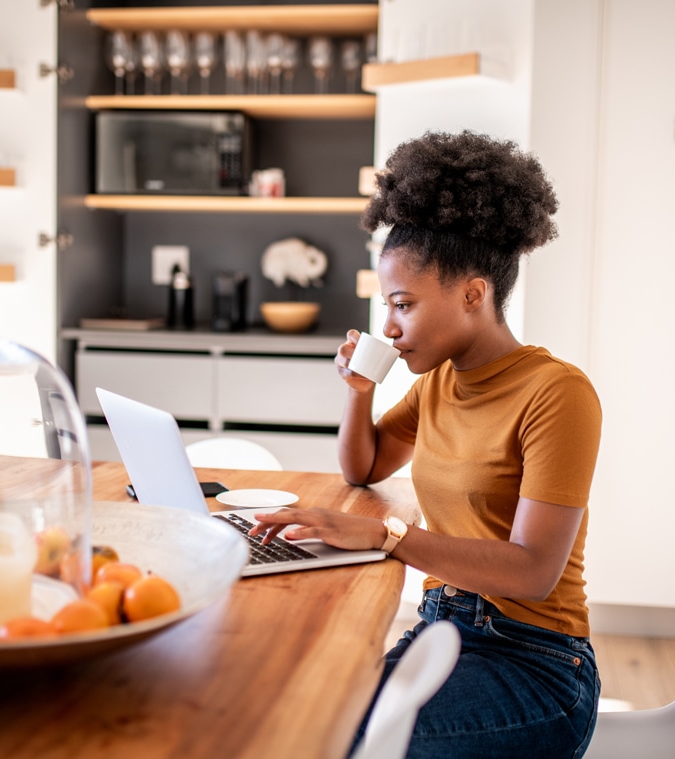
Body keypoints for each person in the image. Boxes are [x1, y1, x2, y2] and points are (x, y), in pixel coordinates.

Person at [250, 130, 603, 758]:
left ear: (473, 294)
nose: (388, 327)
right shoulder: (439, 381)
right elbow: (364, 467)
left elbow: (533, 571)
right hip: (445, 631)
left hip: (536, 664)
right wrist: (359, 392)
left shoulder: (557, 393)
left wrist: (386, 537)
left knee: (332, 735)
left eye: (403, 305)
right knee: (302, 706)